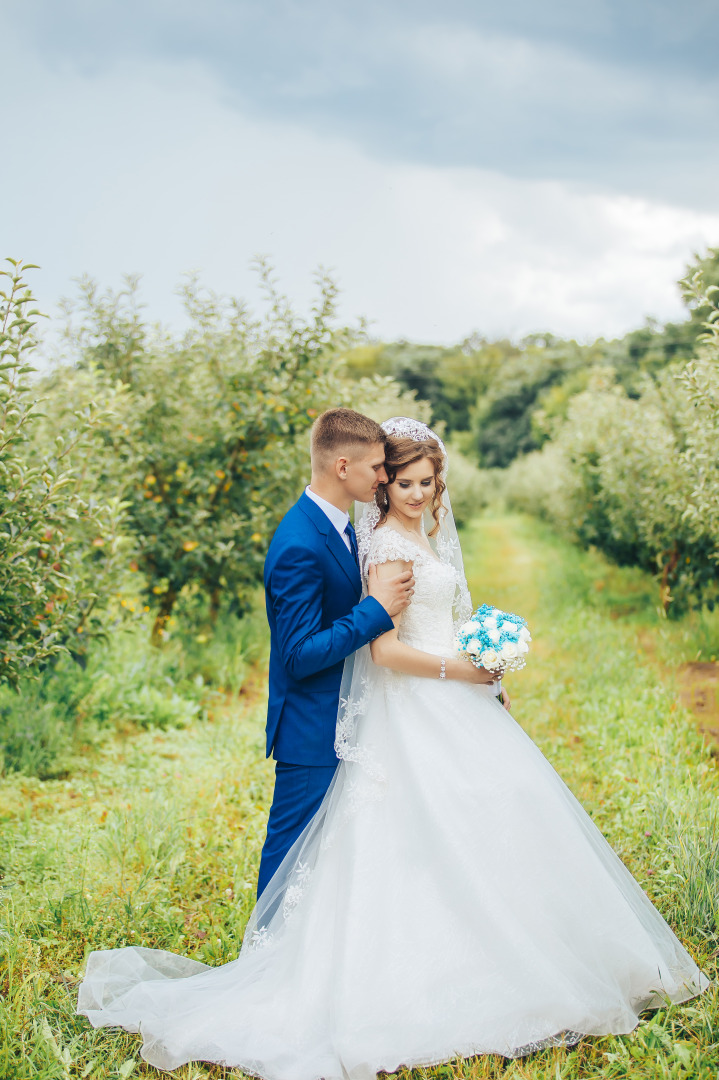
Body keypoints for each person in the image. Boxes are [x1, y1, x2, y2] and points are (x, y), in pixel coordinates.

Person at [77, 417, 708, 1078]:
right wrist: (408, 634)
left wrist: (480, 666)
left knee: (484, 818)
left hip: (444, 701)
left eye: (414, 479)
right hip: (363, 712)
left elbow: (424, 616)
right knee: (324, 846)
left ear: (438, 486)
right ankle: (270, 969)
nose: (396, 485)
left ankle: (493, 949)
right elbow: (329, 650)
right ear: (350, 469)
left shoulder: (354, 529)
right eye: (388, 474)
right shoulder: (321, 540)